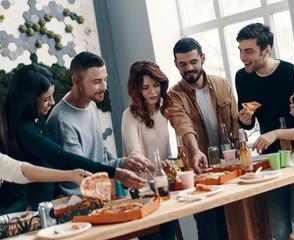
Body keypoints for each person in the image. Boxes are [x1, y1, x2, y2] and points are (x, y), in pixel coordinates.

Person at [3, 64, 147, 211]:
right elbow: (60, 156)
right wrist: (115, 172)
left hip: (44, 202)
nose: (52, 102)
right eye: (46, 99)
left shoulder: (37, 116)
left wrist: (118, 165)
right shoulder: (24, 128)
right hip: (23, 208)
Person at [235, 23, 294, 240]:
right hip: (269, 159)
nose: (243, 57)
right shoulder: (242, 77)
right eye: (240, 50)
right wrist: (245, 120)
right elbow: (248, 125)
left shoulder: (290, 73)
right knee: (278, 228)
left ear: (266, 50)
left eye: (249, 51)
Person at [47, 52, 150, 196]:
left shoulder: (90, 104)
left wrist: (122, 163)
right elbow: (81, 170)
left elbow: (99, 146)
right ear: (76, 81)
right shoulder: (62, 120)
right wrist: (118, 167)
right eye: (97, 82)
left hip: (99, 192)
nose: (104, 87)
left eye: (105, 80)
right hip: (78, 199)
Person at [167, 37, 239, 240]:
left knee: (232, 227)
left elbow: (234, 121)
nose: (189, 68)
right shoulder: (173, 96)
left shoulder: (221, 83)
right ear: (176, 65)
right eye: (183, 64)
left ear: (203, 58)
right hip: (199, 173)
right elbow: (183, 125)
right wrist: (196, 150)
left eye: (193, 62)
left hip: (228, 168)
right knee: (209, 231)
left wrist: (239, 148)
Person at [122, 60, 177, 240]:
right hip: (142, 191)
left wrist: (169, 166)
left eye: (156, 85)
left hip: (162, 186)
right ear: (137, 89)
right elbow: (135, 153)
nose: (153, 92)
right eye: (146, 88)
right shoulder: (130, 115)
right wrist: (157, 165)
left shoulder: (164, 111)